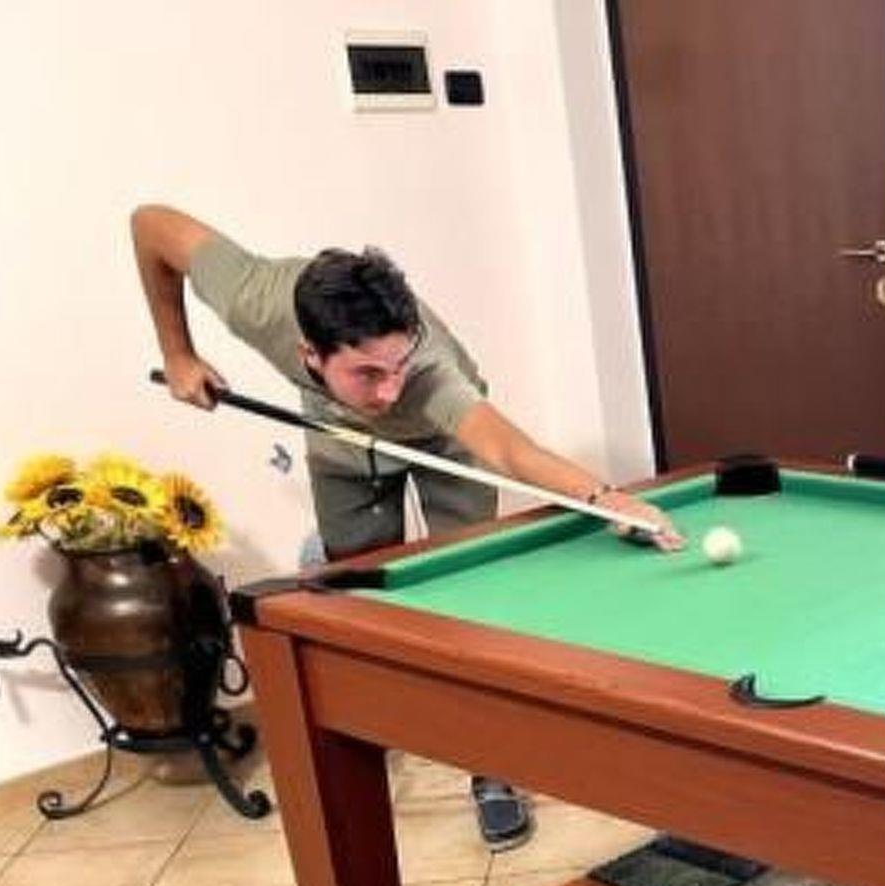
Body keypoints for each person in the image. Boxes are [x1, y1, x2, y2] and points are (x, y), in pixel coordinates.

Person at [130, 205, 683, 850]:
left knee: (471, 604)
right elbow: (151, 225)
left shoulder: (429, 374)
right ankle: (363, 703)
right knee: (356, 590)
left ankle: (491, 768)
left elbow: (509, 451)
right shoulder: (259, 298)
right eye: (369, 372)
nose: (390, 388)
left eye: (398, 365)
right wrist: (177, 353)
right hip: (340, 438)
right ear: (310, 354)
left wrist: (606, 498)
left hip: (443, 440)